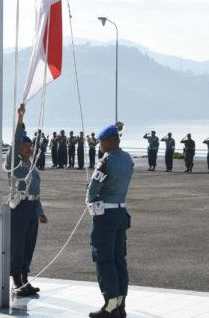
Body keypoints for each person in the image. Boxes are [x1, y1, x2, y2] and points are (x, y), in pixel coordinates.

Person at [86, 124, 134, 318]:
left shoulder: (105, 162)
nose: (100, 146)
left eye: (100, 142)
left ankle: (110, 305)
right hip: (121, 213)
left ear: (108, 141)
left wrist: (90, 200)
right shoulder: (127, 158)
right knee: (119, 260)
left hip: (104, 216)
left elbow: (93, 190)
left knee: (104, 260)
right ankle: (121, 304)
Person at [5, 104, 48, 297]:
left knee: (29, 245)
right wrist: (20, 119)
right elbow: (15, 141)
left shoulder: (30, 164)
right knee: (18, 245)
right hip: (19, 207)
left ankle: (24, 279)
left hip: (31, 208)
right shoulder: (13, 161)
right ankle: (16, 281)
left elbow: (35, 190)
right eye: (25, 145)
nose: (29, 148)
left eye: (29, 145)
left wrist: (40, 212)